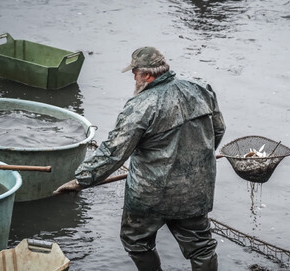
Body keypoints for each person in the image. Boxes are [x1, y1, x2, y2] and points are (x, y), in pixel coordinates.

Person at [54, 46, 226, 271]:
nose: (133, 78)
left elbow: (113, 152)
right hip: (195, 191)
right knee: (201, 247)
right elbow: (218, 130)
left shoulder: (140, 106)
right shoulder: (200, 89)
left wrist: (81, 180)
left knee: (136, 241)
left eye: (134, 72)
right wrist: (194, 160)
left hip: (149, 195)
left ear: (146, 75)